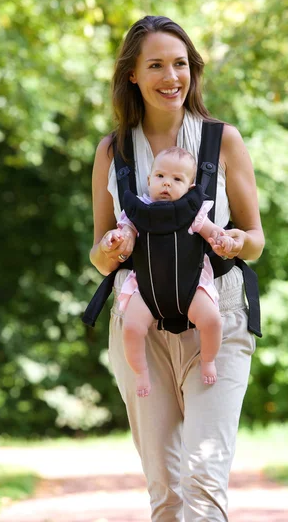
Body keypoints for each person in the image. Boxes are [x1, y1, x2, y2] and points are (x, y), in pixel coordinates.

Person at [90, 15, 265, 522]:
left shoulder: (221, 140)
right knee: (166, 492)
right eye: (157, 65)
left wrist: (235, 242)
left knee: (205, 482)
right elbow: (98, 251)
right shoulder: (113, 151)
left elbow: (255, 239)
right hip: (139, 326)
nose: (172, 77)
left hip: (218, 317)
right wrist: (111, 249)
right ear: (133, 76)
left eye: (181, 64)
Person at [103, 146, 235, 397]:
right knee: (130, 328)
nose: (167, 184)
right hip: (146, 289)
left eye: (177, 179)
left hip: (189, 287)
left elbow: (213, 232)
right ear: (149, 180)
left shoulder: (193, 211)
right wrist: (116, 237)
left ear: (189, 187)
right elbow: (126, 232)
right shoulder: (137, 210)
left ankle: (208, 360)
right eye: (161, 176)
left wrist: (223, 240)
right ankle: (140, 372)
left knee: (212, 320)